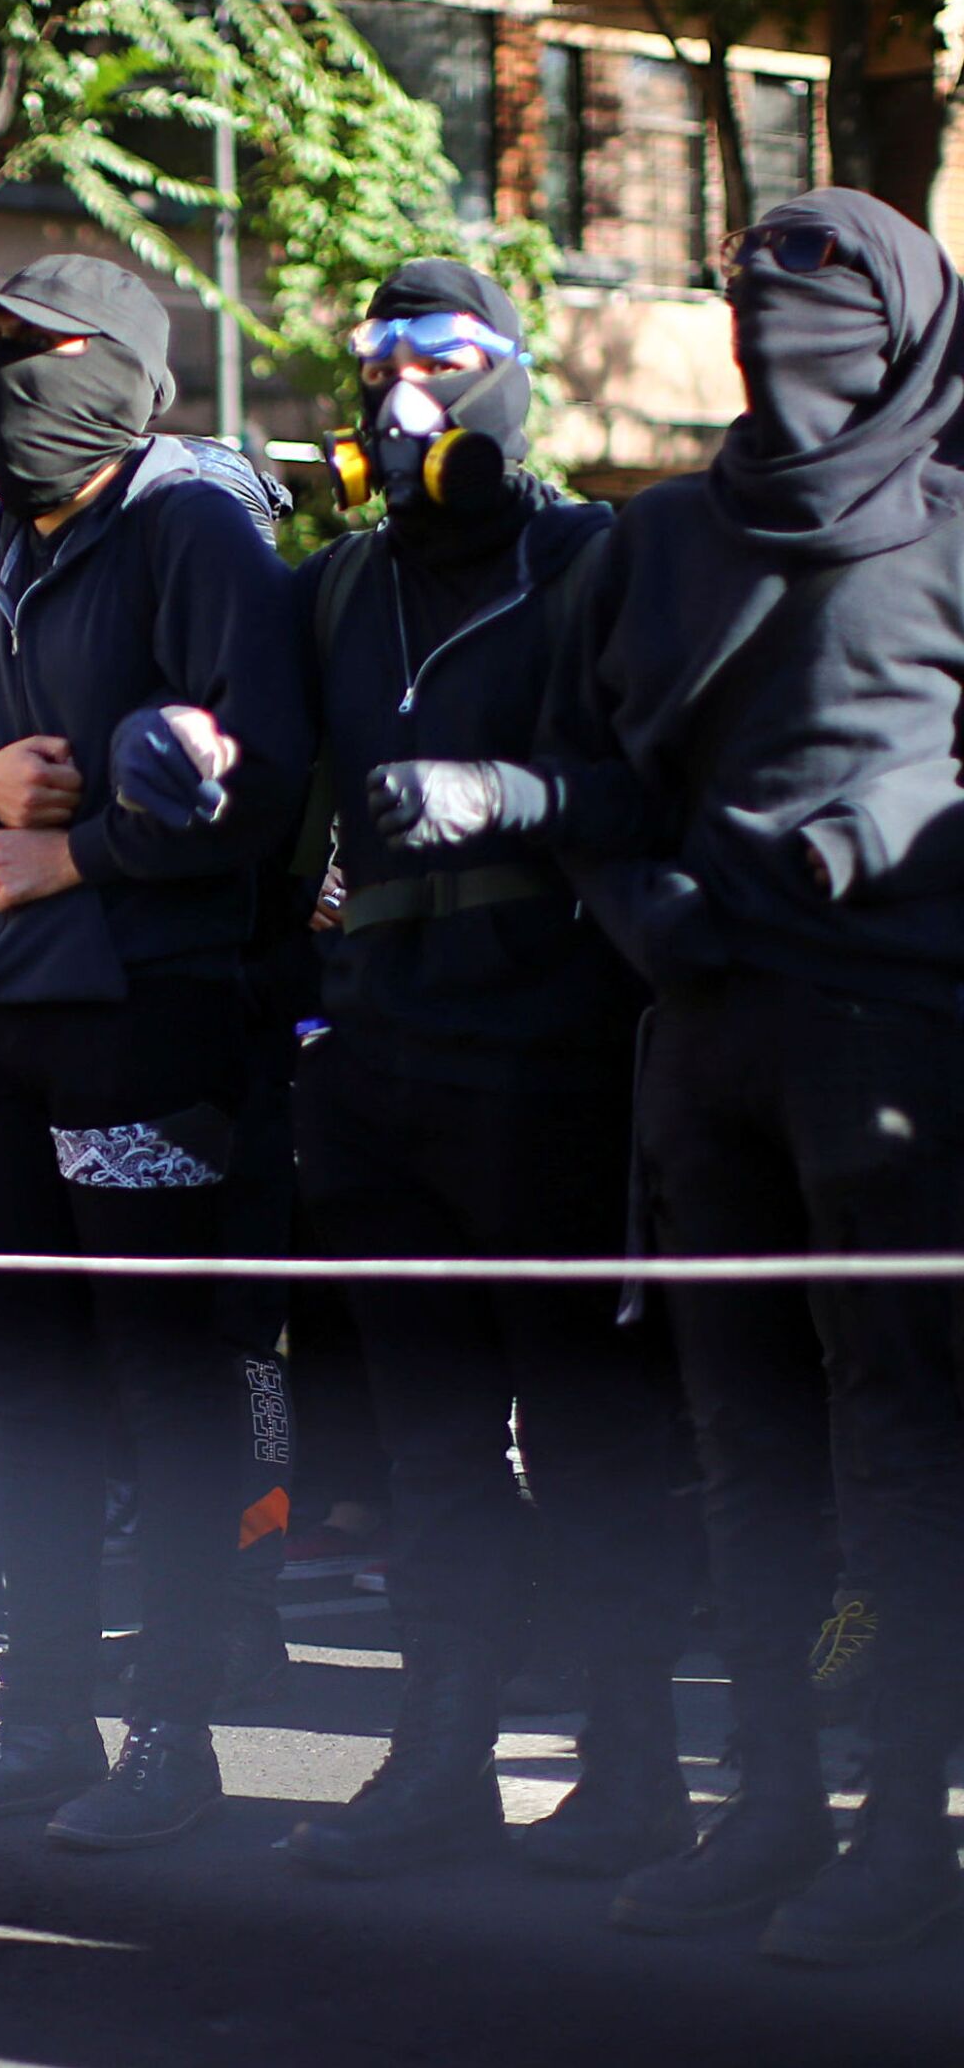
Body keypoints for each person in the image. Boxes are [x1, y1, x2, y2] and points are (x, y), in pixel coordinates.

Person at [473, 190, 964, 1965]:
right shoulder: (660, 537)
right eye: (746, 298)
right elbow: (586, 769)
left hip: (902, 1046)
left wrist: (872, 842)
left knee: (903, 1449)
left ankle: (906, 1830)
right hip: (699, 1042)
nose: (774, 334)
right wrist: (635, 904)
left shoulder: (960, 527)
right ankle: (768, 1807)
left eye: (817, 304)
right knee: (738, 1450)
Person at [215, 260, 688, 1882]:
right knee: (424, 1446)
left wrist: (513, 797)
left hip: (557, 1060)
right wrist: (195, 763)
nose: (401, 388)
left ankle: (634, 1772)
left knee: (591, 1432)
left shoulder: (594, 558)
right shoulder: (339, 587)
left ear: (507, 377)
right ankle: (438, 1759)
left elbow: (666, 792)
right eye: (376, 360)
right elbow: (271, 799)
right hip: (376, 1065)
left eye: (440, 355)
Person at [0, 255, 308, 1850]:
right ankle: (37, 1711)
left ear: (121, 371)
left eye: (38, 352)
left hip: (145, 1009)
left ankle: (175, 1729)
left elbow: (266, 781)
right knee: (22, 1378)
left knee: (161, 1380)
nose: (10, 384)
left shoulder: (195, 528)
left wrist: (89, 851)